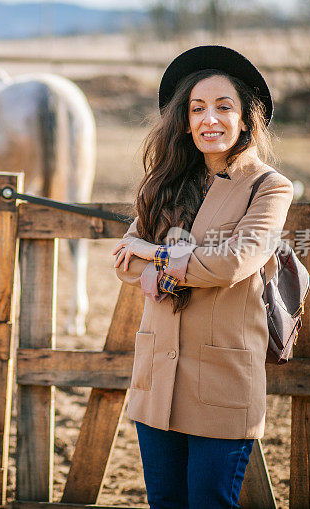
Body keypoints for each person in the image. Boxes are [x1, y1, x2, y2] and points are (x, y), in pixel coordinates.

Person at [112, 45, 294, 508]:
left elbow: (232, 262)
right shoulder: (165, 183)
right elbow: (124, 264)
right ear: (185, 121)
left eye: (223, 106)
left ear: (245, 119)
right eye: (197, 109)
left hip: (221, 384)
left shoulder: (268, 187)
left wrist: (154, 252)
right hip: (157, 380)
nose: (208, 119)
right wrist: (160, 259)